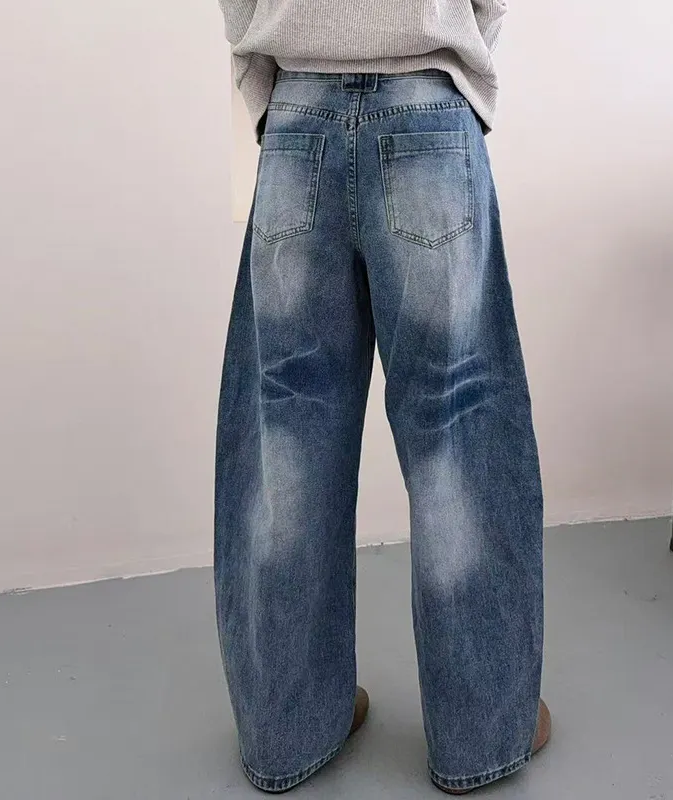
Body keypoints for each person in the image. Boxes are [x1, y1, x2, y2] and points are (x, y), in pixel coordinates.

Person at [213, 0, 550, 793]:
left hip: (297, 122)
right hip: (428, 113)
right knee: (457, 425)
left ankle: (287, 731)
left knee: (287, 425)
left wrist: (277, 73)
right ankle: (480, 733)